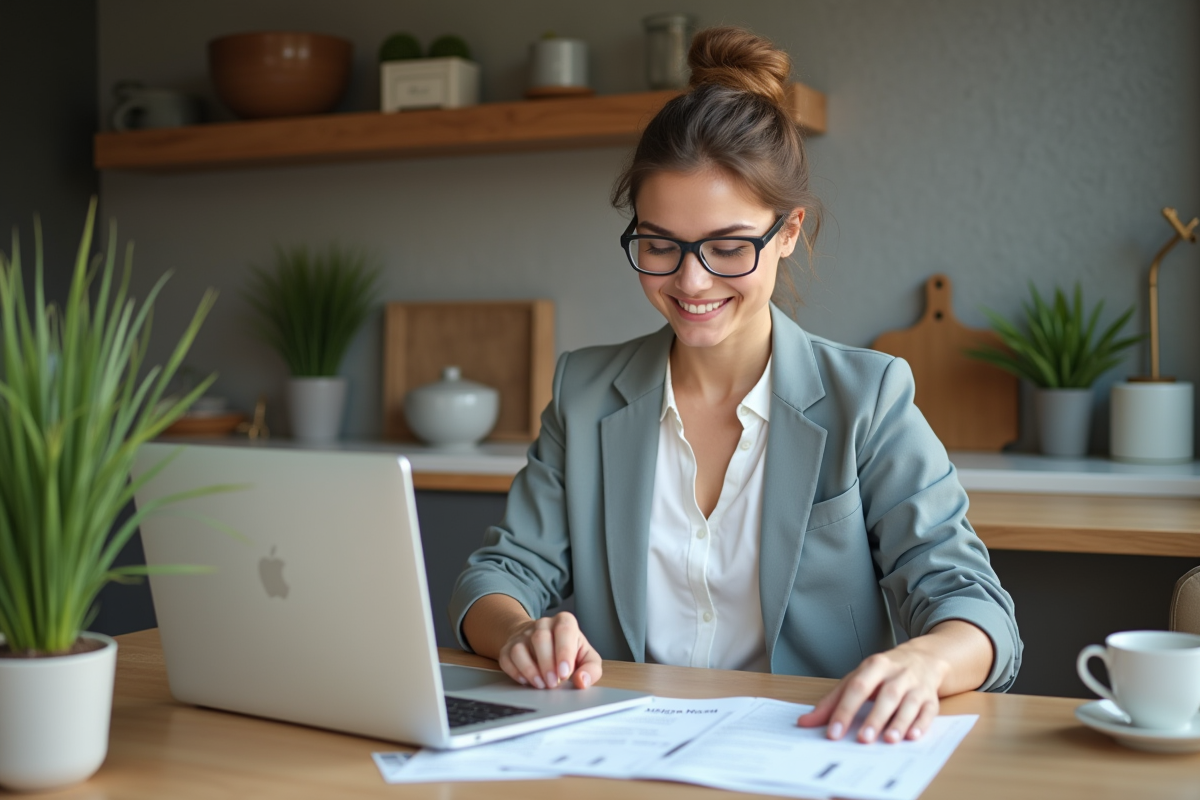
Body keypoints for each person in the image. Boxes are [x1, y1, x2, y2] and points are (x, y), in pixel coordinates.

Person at [449, 26, 1021, 745]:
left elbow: (977, 610)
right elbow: (496, 576)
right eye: (659, 245)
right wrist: (519, 632)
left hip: (807, 749)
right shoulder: (586, 391)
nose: (692, 282)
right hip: (621, 753)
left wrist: (922, 660)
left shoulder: (868, 398)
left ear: (788, 232)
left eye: (728, 247)